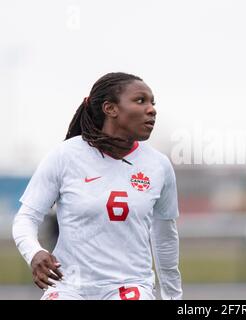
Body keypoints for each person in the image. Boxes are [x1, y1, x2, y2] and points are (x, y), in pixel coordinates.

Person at [12, 72, 182, 300]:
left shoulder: (159, 166)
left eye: (152, 103)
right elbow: (26, 218)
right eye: (140, 101)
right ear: (110, 109)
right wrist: (34, 252)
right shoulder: (65, 156)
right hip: (69, 286)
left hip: (130, 287)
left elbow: (165, 238)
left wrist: (173, 297)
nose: (151, 109)